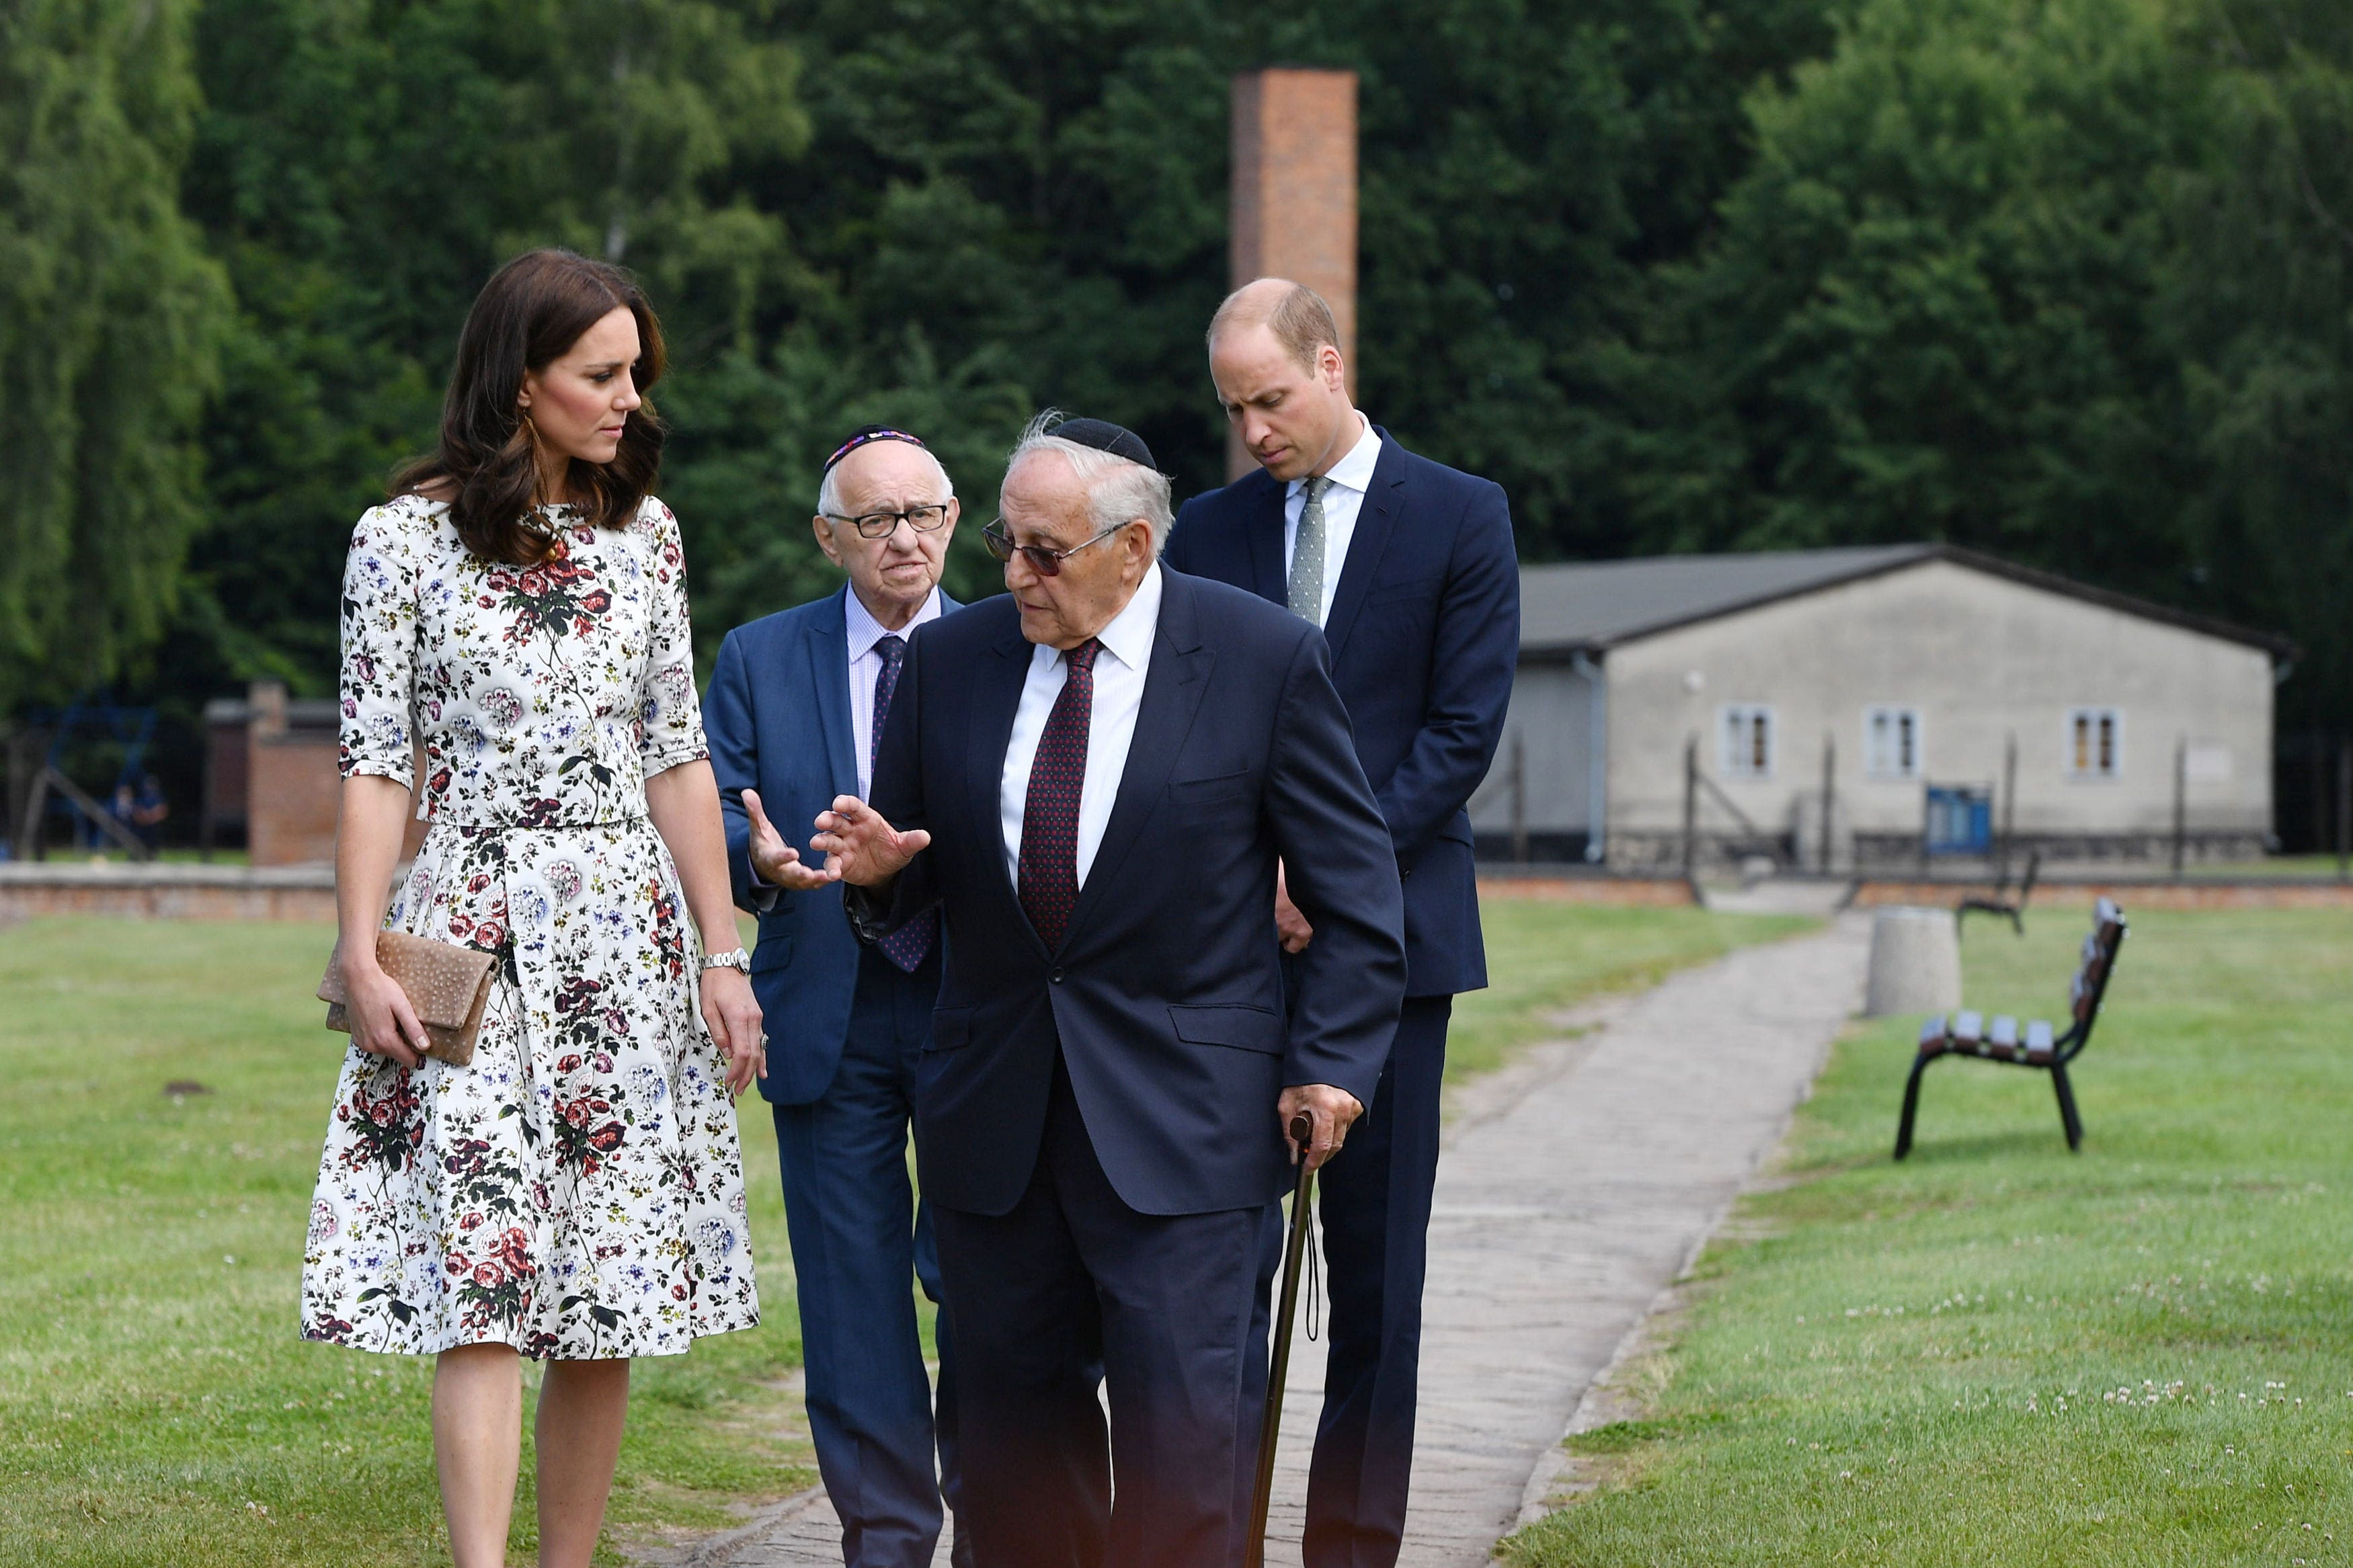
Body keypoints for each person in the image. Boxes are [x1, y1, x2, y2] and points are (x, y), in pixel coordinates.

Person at [809, 412, 1407, 1568]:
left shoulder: (1259, 658)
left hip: (1189, 1121)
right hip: (997, 1121)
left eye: (1050, 550)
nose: (1016, 574)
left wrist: (1330, 1063)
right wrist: (882, 883)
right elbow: (913, 880)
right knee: (1011, 1447)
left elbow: (1358, 892)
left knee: (1187, 1441)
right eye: (1007, 544)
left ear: (1134, 548)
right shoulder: (949, 662)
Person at [301, 247, 766, 1568]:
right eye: (600, 375)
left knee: (604, 1285)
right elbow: (375, 763)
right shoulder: (399, 542)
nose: (629, 400)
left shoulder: (648, 537)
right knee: (485, 1278)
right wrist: (358, 945)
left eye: (636, 375)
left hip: (628, 939)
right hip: (471, 935)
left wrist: (721, 956)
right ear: (520, 385)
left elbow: (679, 757)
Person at [1164, 279, 1519, 1568]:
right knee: (1217, 1276)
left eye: (1270, 398)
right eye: (1232, 407)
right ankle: (1221, 1538)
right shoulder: (1207, 530)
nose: (1253, 428)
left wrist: (1329, 874)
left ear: (1330, 364)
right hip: (1227, 949)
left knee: (1375, 1277)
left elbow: (1462, 735)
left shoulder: (1462, 516)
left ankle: (1353, 1546)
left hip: (1395, 951)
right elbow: (1183, 727)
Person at [701, 425, 971, 1568]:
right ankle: (888, 1539)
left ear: (956, 518)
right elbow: (704, 810)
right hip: (829, 1008)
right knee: (854, 1299)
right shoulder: (761, 656)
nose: (904, 538)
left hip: (980, 1011)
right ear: (828, 537)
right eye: (875, 520)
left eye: (924, 513)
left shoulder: (1014, 643)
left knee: (989, 1287)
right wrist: (751, 863)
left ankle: (1002, 1527)